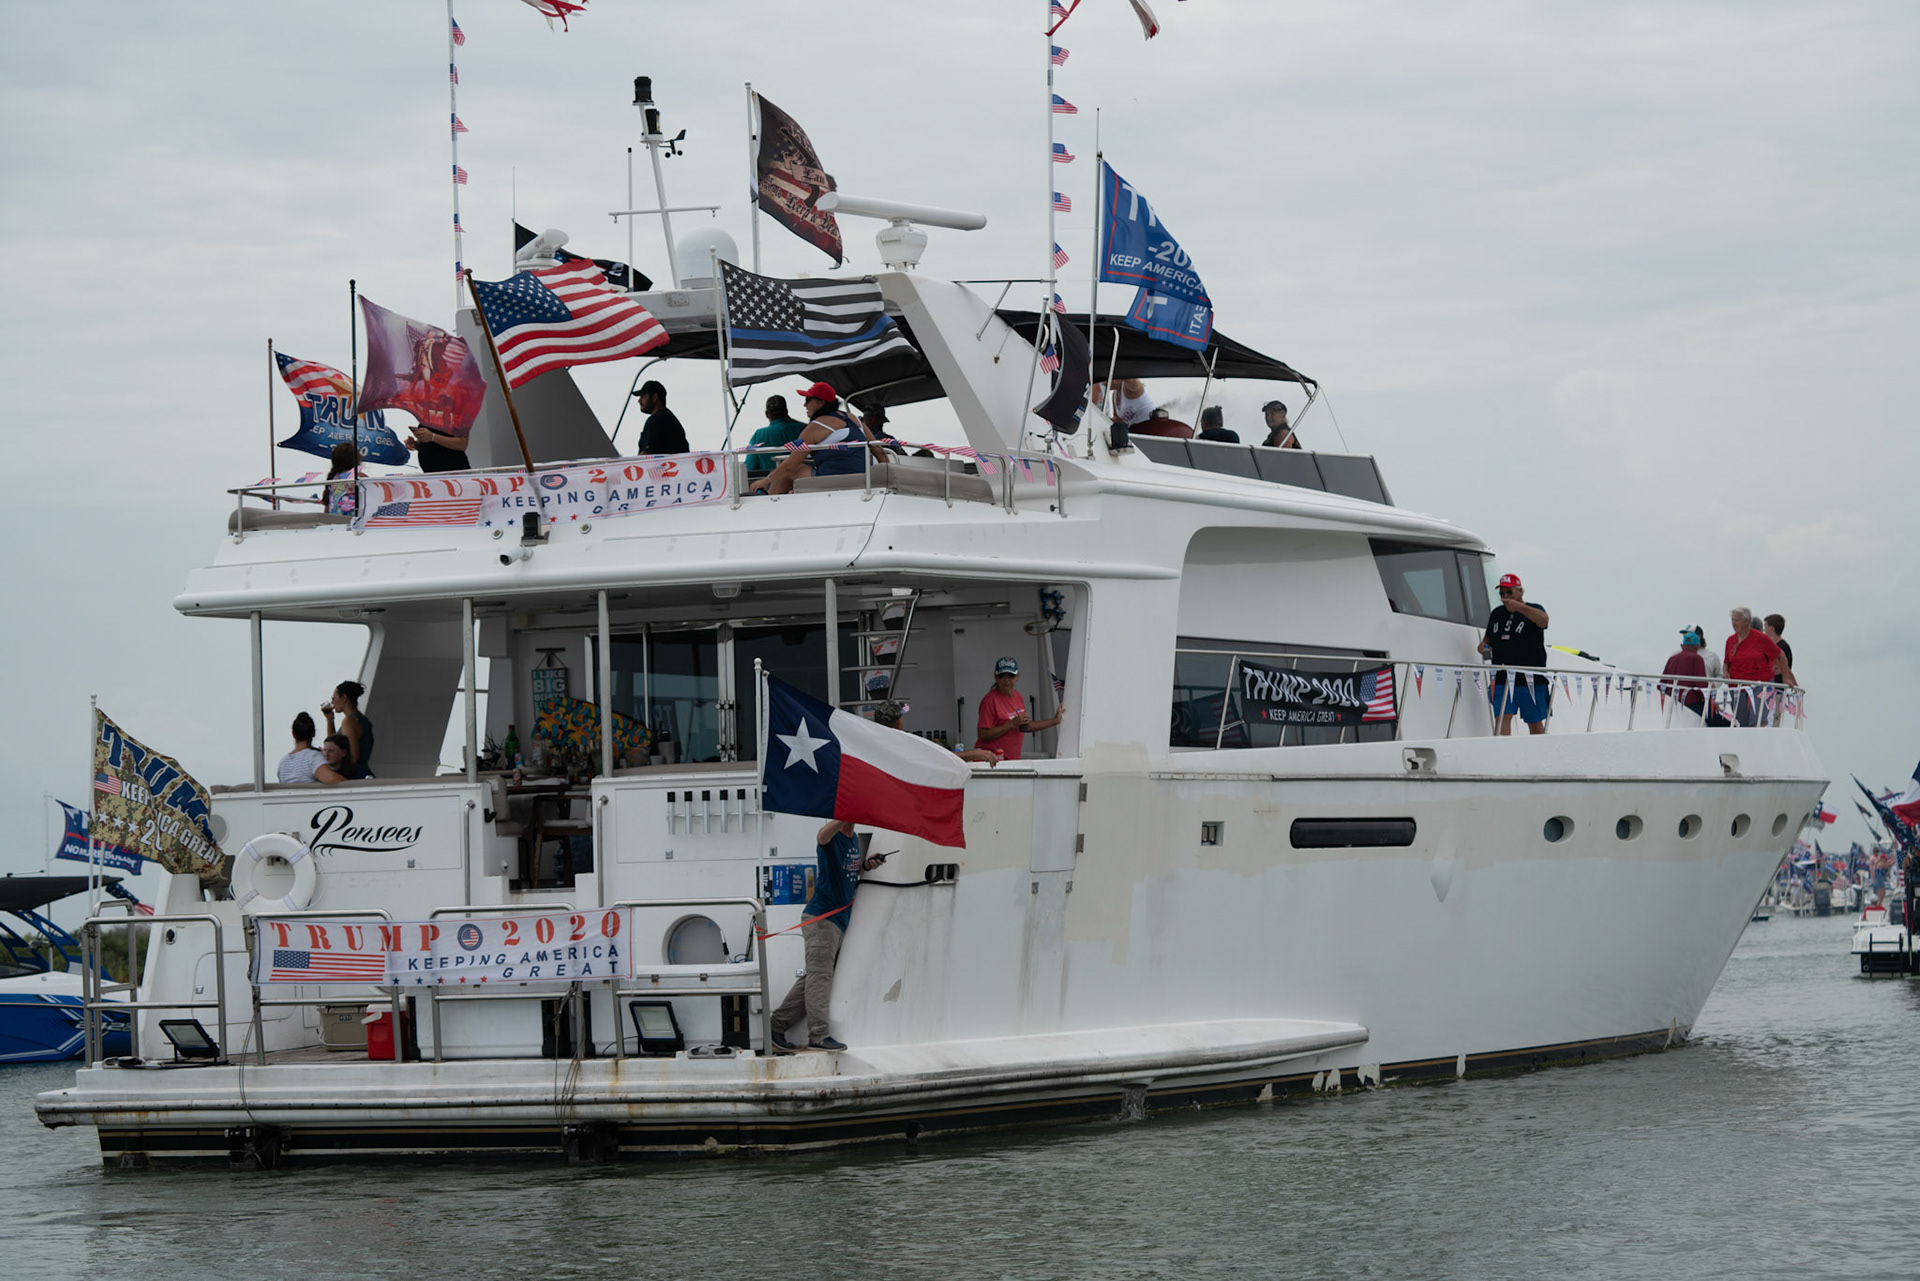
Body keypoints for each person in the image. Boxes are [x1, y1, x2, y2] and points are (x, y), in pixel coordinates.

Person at [768, 818, 886, 1052]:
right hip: (823, 919)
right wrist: (844, 816)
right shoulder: (831, 837)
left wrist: (866, 865)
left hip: (836, 921)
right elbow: (821, 837)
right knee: (820, 978)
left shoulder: (852, 839)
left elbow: (846, 870)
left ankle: (776, 1025)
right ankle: (819, 1035)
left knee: (814, 977)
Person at [749, 383, 880, 495]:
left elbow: (790, 466)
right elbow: (879, 452)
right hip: (863, 479)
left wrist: (765, 481)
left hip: (834, 480)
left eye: (808, 400)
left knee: (792, 469)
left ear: (821, 403)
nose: (804, 404)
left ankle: (770, 506)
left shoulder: (815, 427)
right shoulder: (854, 419)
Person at [1480, 573, 1551, 736]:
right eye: (1502, 593)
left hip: (1530, 678)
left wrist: (1519, 607)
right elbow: (1489, 637)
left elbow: (1544, 621)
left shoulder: (1535, 609)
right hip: (1501, 676)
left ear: (1520, 591)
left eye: (1509, 592)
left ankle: (1540, 754)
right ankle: (1503, 755)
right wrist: (1484, 645)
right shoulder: (1497, 613)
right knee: (1501, 718)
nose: (1505, 597)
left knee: (1534, 722)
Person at [973, 657, 1064, 761]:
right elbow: (983, 735)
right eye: (1002, 676)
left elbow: (1025, 727)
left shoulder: (1018, 696)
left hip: (1010, 760)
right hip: (990, 760)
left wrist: (1054, 721)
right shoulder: (989, 700)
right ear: (996, 677)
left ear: (1017, 676)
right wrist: (1011, 724)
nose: (1006, 680)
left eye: (1011, 676)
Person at [1724, 607, 1795, 726]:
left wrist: (1786, 677)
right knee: (1741, 723)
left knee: (1757, 721)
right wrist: (1725, 671)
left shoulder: (1761, 639)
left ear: (1747, 622)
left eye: (1737, 620)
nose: (1734, 623)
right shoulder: (1730, 640)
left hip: (1760, 685)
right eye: (1732, 620)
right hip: (1738, 685)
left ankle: (1758, 743)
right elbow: (1727, 662)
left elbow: (1780, 656)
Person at [321, 680, 376, 778]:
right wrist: (330, 720)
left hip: (355, 776)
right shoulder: (363, 721)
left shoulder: (348, 722)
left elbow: (353, 757)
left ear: (344, 698)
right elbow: (334, 744)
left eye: (334, 698)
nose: (332, 702)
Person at [745, 394, 806, 473]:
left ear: (766, 414)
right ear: (787, 412)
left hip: (770, 481)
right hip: (799, 478)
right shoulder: (801, 428)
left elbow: (750, 465)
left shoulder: (758, 434)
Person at [1660, 628, 1710, 718]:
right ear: (1697, 647)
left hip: (1671, 703)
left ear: (1682, 646)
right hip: (1691, 704)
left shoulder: (1672, 659)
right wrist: (1710, 702)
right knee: (1724, 722)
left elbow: (1661, 685)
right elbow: (1701, 686)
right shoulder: (1697, 659)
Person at [631, 380, 689, 455]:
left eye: (643, 396)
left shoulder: (655, 420)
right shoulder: (670, 419)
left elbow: (647, 456)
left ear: (655, 397)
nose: (639, 400)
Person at [277, 713, 325, 783]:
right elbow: (332, 779)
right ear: (313, 733)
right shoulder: (314, 757)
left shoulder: (283, 762)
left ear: (293, 734)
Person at [404, 424, 470, 473]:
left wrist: (433, 437)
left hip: (453, 472)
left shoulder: (456, 418)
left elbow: (462, 444)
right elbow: (431, 444)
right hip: (431, 474)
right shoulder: (425, 419)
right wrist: (415, 444)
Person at [1092, 378, 1157, 424]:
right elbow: (1118, 419)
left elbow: (1129, 377)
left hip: (1152, 424)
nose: (1104, 384)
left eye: (1106, 381)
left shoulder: (1130, 387)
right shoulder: (1114, 395)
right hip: (1136, 429)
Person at [323, 443, 362, 517]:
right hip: (352, 523)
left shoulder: (333, 479)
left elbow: (327, 510)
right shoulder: (357, 477)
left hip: (334, 523)